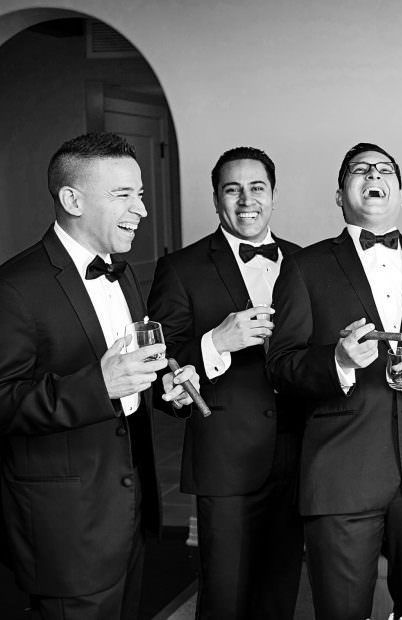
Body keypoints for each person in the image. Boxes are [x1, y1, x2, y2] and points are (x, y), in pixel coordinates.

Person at [266, 143, 402, 620]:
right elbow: (279, 365)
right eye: (359, 170)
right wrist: (338, 361)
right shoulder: (304, 267)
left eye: (383, 170)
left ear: (400, 194)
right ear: (340, 195)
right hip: (341, 473)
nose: (372, 174)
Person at [0, 132, 197, 619]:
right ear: (72, 199)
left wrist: (164, 389)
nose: (142, 210)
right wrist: (97, 386)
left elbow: (129, 376)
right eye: (123, 195)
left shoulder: (124, 274)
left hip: (131, 516)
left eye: (142, 195)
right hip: (67, 530)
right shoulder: (14, 288)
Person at [147, 147, 304, 619]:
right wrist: (217, 342)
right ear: (216, 199)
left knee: (281, 595)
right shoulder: (181, 268)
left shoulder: (306, 262)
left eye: (257, 188)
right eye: (231, 189)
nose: (245, 200)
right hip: (226, 458)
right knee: (224, 599)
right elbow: (160, 370)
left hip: (298, 453)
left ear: (273, 196)